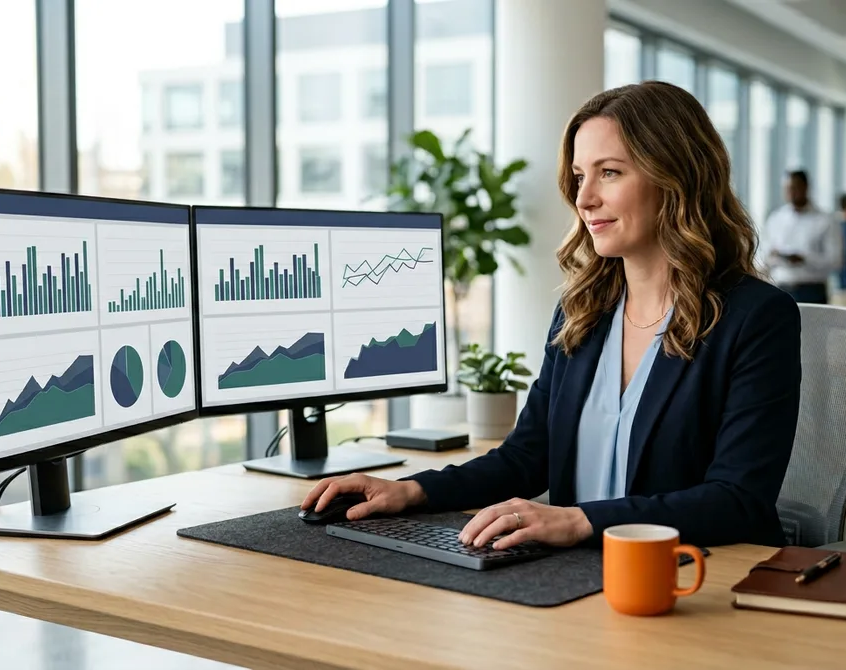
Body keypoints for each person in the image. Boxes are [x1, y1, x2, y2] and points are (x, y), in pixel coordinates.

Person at [301, 81, 802, 551]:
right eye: (581, 176)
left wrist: (577, 521)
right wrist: (411, 491)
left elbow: (738, 499)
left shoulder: (755, 318)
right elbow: (527, 456)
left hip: (689, 580)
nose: (584, 199)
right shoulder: (582, 311)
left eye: (610, 172)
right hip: (574, 580)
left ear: (677, 177)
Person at [761, 170, 842, 304]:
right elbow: (764, 255)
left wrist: (805, 259)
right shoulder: (775, 219)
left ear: (806, 187)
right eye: (787, 189)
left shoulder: (825, 220)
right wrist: (775, 256)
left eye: (795, 188)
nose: (791, 193)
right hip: (780, 288)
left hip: (812, 291)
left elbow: (836, 261)